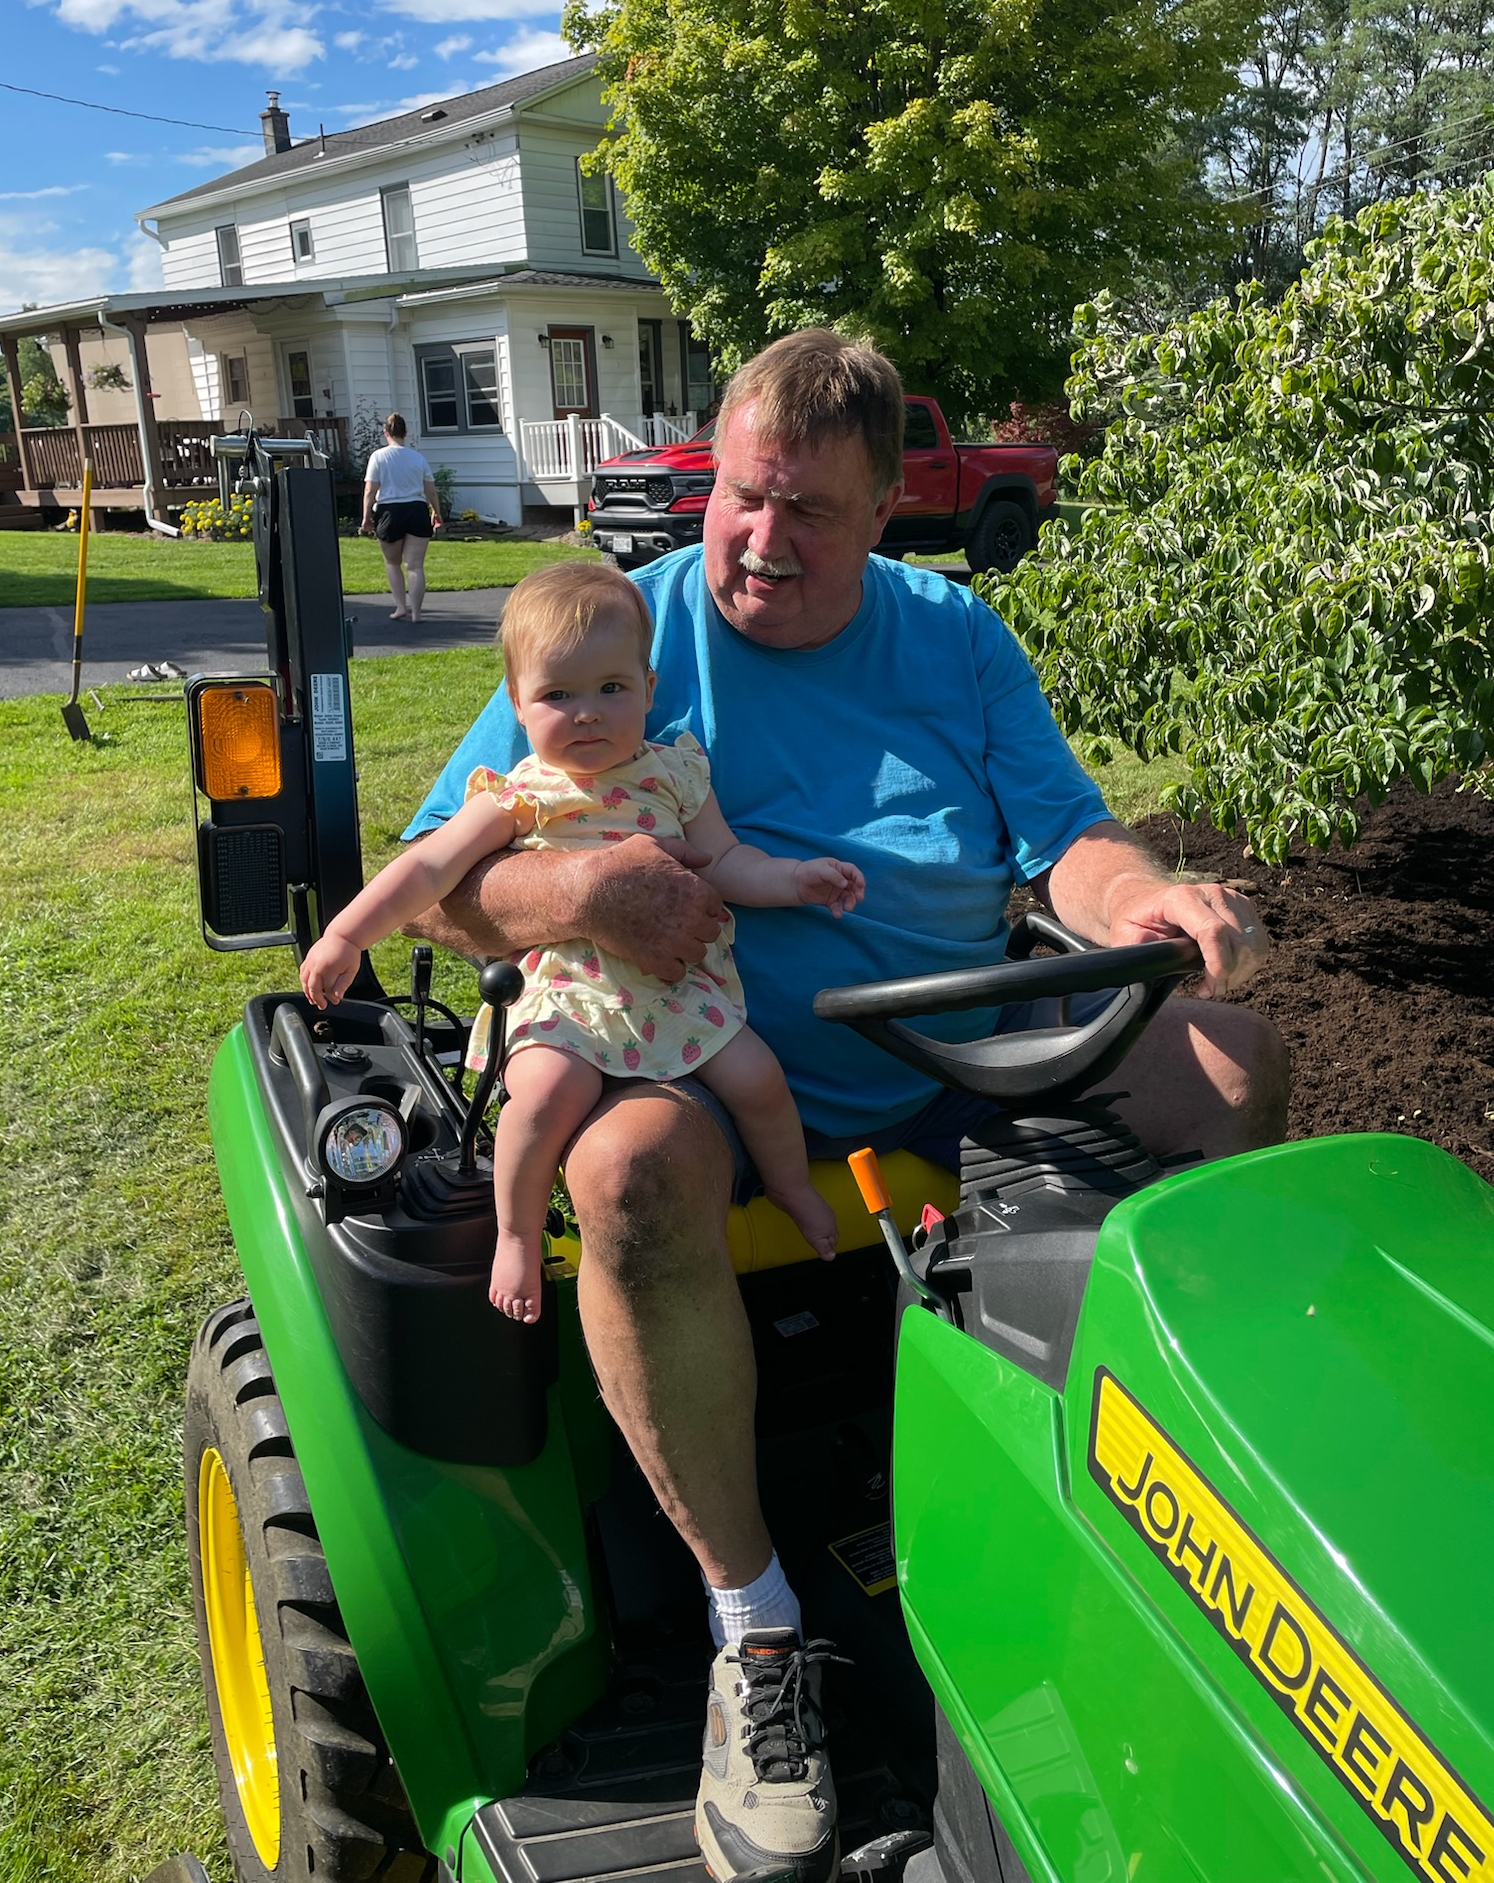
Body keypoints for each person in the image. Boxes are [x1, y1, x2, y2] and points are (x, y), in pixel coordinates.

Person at [401, 331, 1289, 1883]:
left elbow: (1067, 840)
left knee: (1236, 1061)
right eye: (744, 497)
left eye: (812, 512)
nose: (762, 540)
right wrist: (591, 888)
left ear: (893, 508)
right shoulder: (633, 628)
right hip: (691, 1053)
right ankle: (752, 1631)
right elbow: (449, 886)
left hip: (953, 1059)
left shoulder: (951, 635)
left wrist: (1145, 896)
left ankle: (1179, 1522)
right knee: (622, 1178)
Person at [299, 562, 862, 1325]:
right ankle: (517, 1235)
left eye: (611, 689)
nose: (588, 714)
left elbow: (728, 862)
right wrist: (346, 934)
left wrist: (796, 880)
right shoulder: (521, 794)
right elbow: (429, 867)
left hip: (673, 988)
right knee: (543, 1098)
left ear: (650, 688)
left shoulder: (675, 774)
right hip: (564, 990)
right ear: (517, 705)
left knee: (758, 1077)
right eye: (558, 695)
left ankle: (791, 1187)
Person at [361, 412, 442, 621]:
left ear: (385, 432)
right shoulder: (418, 458)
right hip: (416, 509)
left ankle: (400, 607)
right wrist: (436, 512)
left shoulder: (378, 457)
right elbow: (431, 491)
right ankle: (416, 613)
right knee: (415, 566)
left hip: (389, 511)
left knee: (393, 563)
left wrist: (366, 517)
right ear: (405, 433)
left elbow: (370, 490)